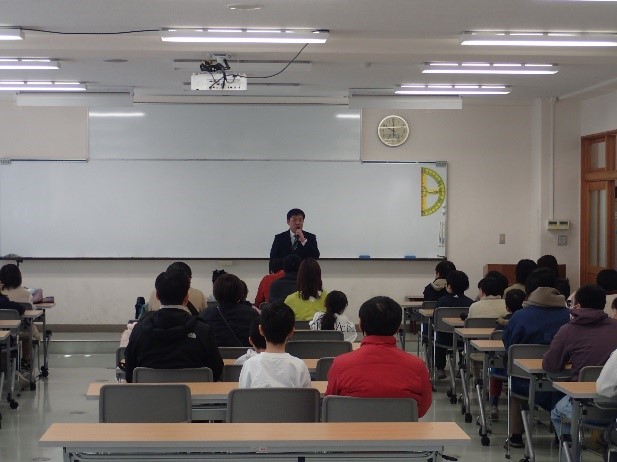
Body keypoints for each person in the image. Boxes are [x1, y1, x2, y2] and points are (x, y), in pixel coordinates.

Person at [325, 296, 432, 418]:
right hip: (402, 429)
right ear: (398, 328)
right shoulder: (418, 366)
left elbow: (332, 405)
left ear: (360, 325)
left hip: (353, 429)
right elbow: (422, 409)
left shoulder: (340, 364)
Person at [502, 267, 571, 449]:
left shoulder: (519, 316)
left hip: (523, 381)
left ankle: (516, 436)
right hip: (561, 380)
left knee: (516, 389)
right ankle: (561, 434)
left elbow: (509, 344)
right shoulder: (569, 316)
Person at [543, 284, 617, 440]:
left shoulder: (568, 329)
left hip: (583, 406)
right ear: (603, 305)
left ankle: (572, 450)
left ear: (578, 305)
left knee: (556, 414)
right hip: (614, 404)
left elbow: (551, 366)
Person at [124, 267, 223, 383]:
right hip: (194, 394)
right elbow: (216, 370)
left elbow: (129, 373)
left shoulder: (140, 329)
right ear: (187, 297)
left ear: (157, 296)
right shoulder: (203, 330)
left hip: (148, 394)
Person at [239, 301, 311, 388]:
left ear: (260, 330)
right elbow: (306, 396)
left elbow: (243, 395)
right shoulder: (300, 366)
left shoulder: (249, 365)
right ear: (292, 332)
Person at [490, 288, 525, 420]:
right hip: (524, 369)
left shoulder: (502, 323)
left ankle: (494, 403)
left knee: (495, 365)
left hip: (505, 367)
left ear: (507, 307)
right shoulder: (527, 321)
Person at [199, 273, 259, 347]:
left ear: (215, 292)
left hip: (214, 354)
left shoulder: (205, 315)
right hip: (246, 354)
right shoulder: (252, 314)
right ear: (240, 292)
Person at [434, 270, 473, 380]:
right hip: (463, 339)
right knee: (466, 341)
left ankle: (440, 368)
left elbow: (434, 321)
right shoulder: (470, 303)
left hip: (444, 339)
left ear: (449, 285)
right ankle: (462, 366)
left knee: (438, 337)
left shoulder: (441, 301)